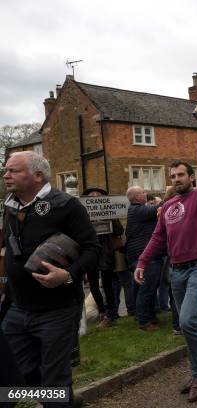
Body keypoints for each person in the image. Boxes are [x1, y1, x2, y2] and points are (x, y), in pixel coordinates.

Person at [1, 151, 100, 407]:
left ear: (37, 175)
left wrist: (68, 276)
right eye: (6, 170)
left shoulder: (66, 205)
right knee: (10, 377)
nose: (6, 175)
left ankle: (60, 400)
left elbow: (92, 249)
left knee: (54, 381)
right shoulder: (10, 206)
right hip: (18, 308)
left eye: (13, 170)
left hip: (57, 310)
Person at [135, 124, 197, 402]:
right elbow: (158, 237)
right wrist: (142, 261)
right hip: (176, 271)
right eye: (173, 175)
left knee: (186, 321)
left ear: (191, 177)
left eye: (181, 174)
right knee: (188, 326)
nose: (176, 179)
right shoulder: (169, 206)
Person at [83, 187, 124, 328]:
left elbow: (119, 230)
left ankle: (111, 314)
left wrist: (109, 219)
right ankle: (102, 310)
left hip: (106, 251)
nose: (94, 196)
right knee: (93, 285)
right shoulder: (83, 214)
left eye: (98, 195)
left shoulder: (110, 212)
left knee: (108, 284)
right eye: (91, 195)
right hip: (89, 251)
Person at [125, 185, 163, 331]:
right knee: (147, 288)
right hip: (145, 256)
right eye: (142, 192)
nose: (145, 194)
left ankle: (149, 316)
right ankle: (144, 321)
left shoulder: (136, 210)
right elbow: (158, 209)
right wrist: (165, 199)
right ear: (136, 197)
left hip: (140, 254)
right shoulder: (137, 210)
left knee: (146, 287)